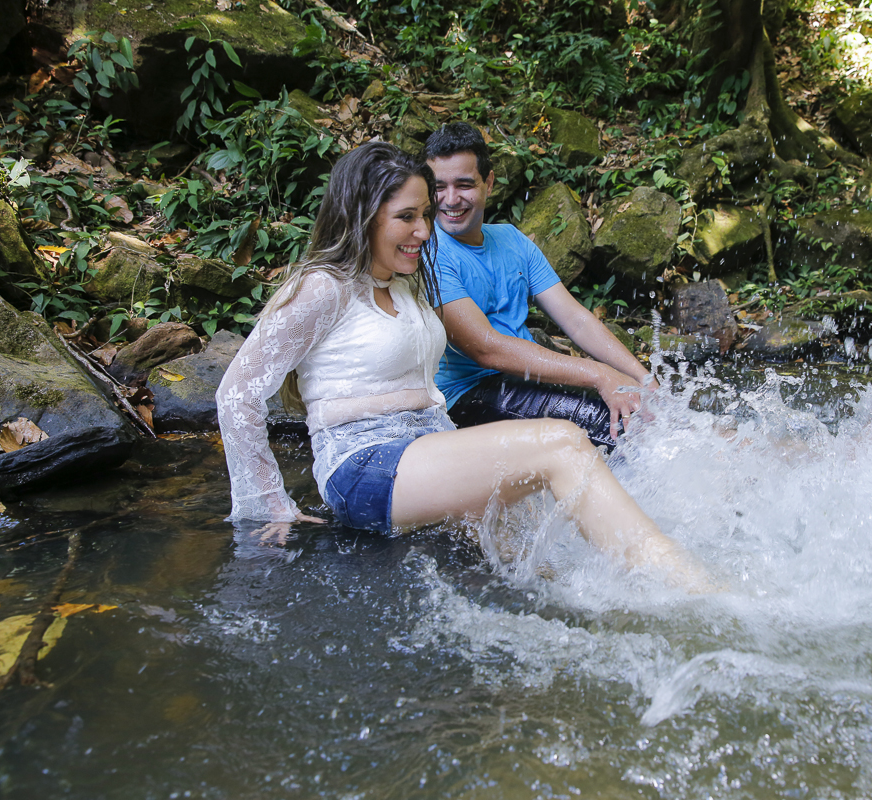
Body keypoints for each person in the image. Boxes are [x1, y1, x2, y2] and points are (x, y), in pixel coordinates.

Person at [215, 141, 707, 589]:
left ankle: (641, 601)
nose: (424, 231)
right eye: (406, 217)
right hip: (364, 466)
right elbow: (236, 394)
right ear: (362, 217)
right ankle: (686, 585)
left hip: (430, 447)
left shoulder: (405, 283)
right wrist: (269, 504)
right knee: (562, 441)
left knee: (540, 567)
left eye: (424, 214)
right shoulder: (322, 288)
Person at [424, 122, 659, 449]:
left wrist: (644, 379)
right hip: (467, 397)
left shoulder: (511, 239)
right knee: (614, 424)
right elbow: (486, 348)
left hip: (527, 380)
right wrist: (600, 374)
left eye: (464, 185)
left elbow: (576, 320)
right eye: (439, 187)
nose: (450, 200)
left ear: (488, 182)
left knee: (647, 410)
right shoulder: (429, 251)